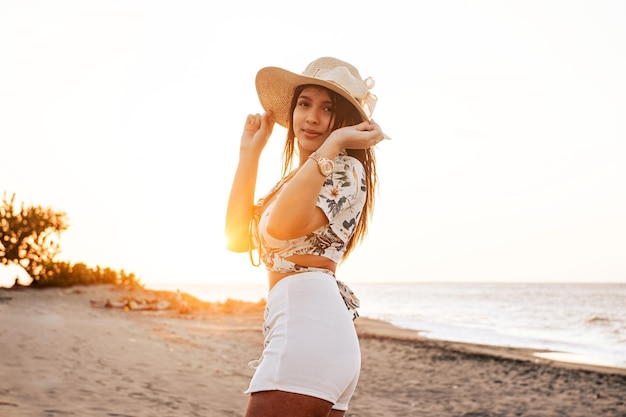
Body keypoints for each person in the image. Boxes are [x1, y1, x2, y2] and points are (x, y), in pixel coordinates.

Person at [225, 57, 387, 417]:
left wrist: (337, 143)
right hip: (308, 329)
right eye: (304, 104)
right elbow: (236, 238)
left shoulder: (345, 168)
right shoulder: (294, 182)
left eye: (327, 109)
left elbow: (282, 227)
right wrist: (249, 155)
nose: (312, 117)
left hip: (309, 326)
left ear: (344, 120)